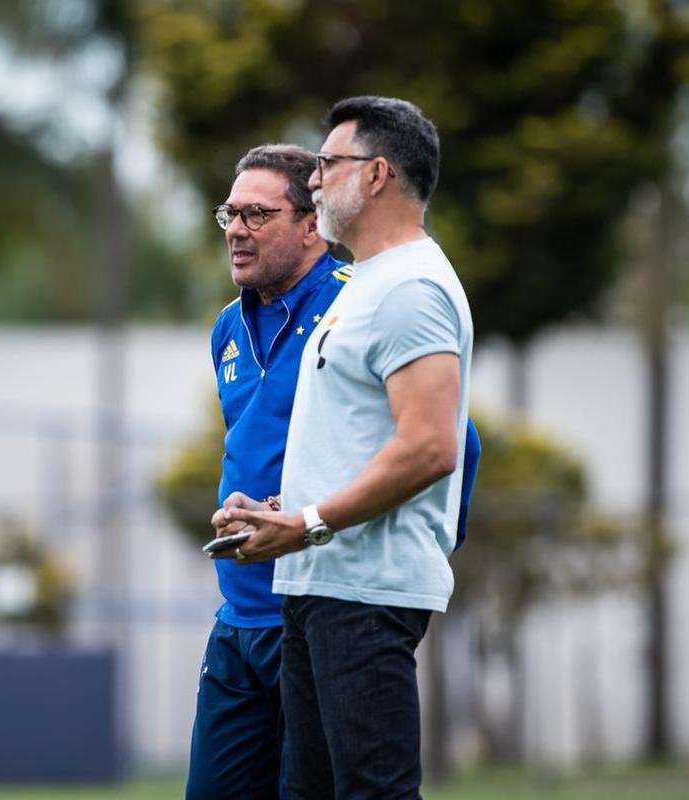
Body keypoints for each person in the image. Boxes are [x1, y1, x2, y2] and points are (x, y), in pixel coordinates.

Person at [192, 140, 478, 799]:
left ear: (309, 224)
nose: (236, 229)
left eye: (257, 215)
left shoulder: (356, 306)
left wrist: (423, 554)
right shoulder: (227, 329)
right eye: (228, 214)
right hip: (240, 617)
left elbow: (452, 442)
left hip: (326, 609)